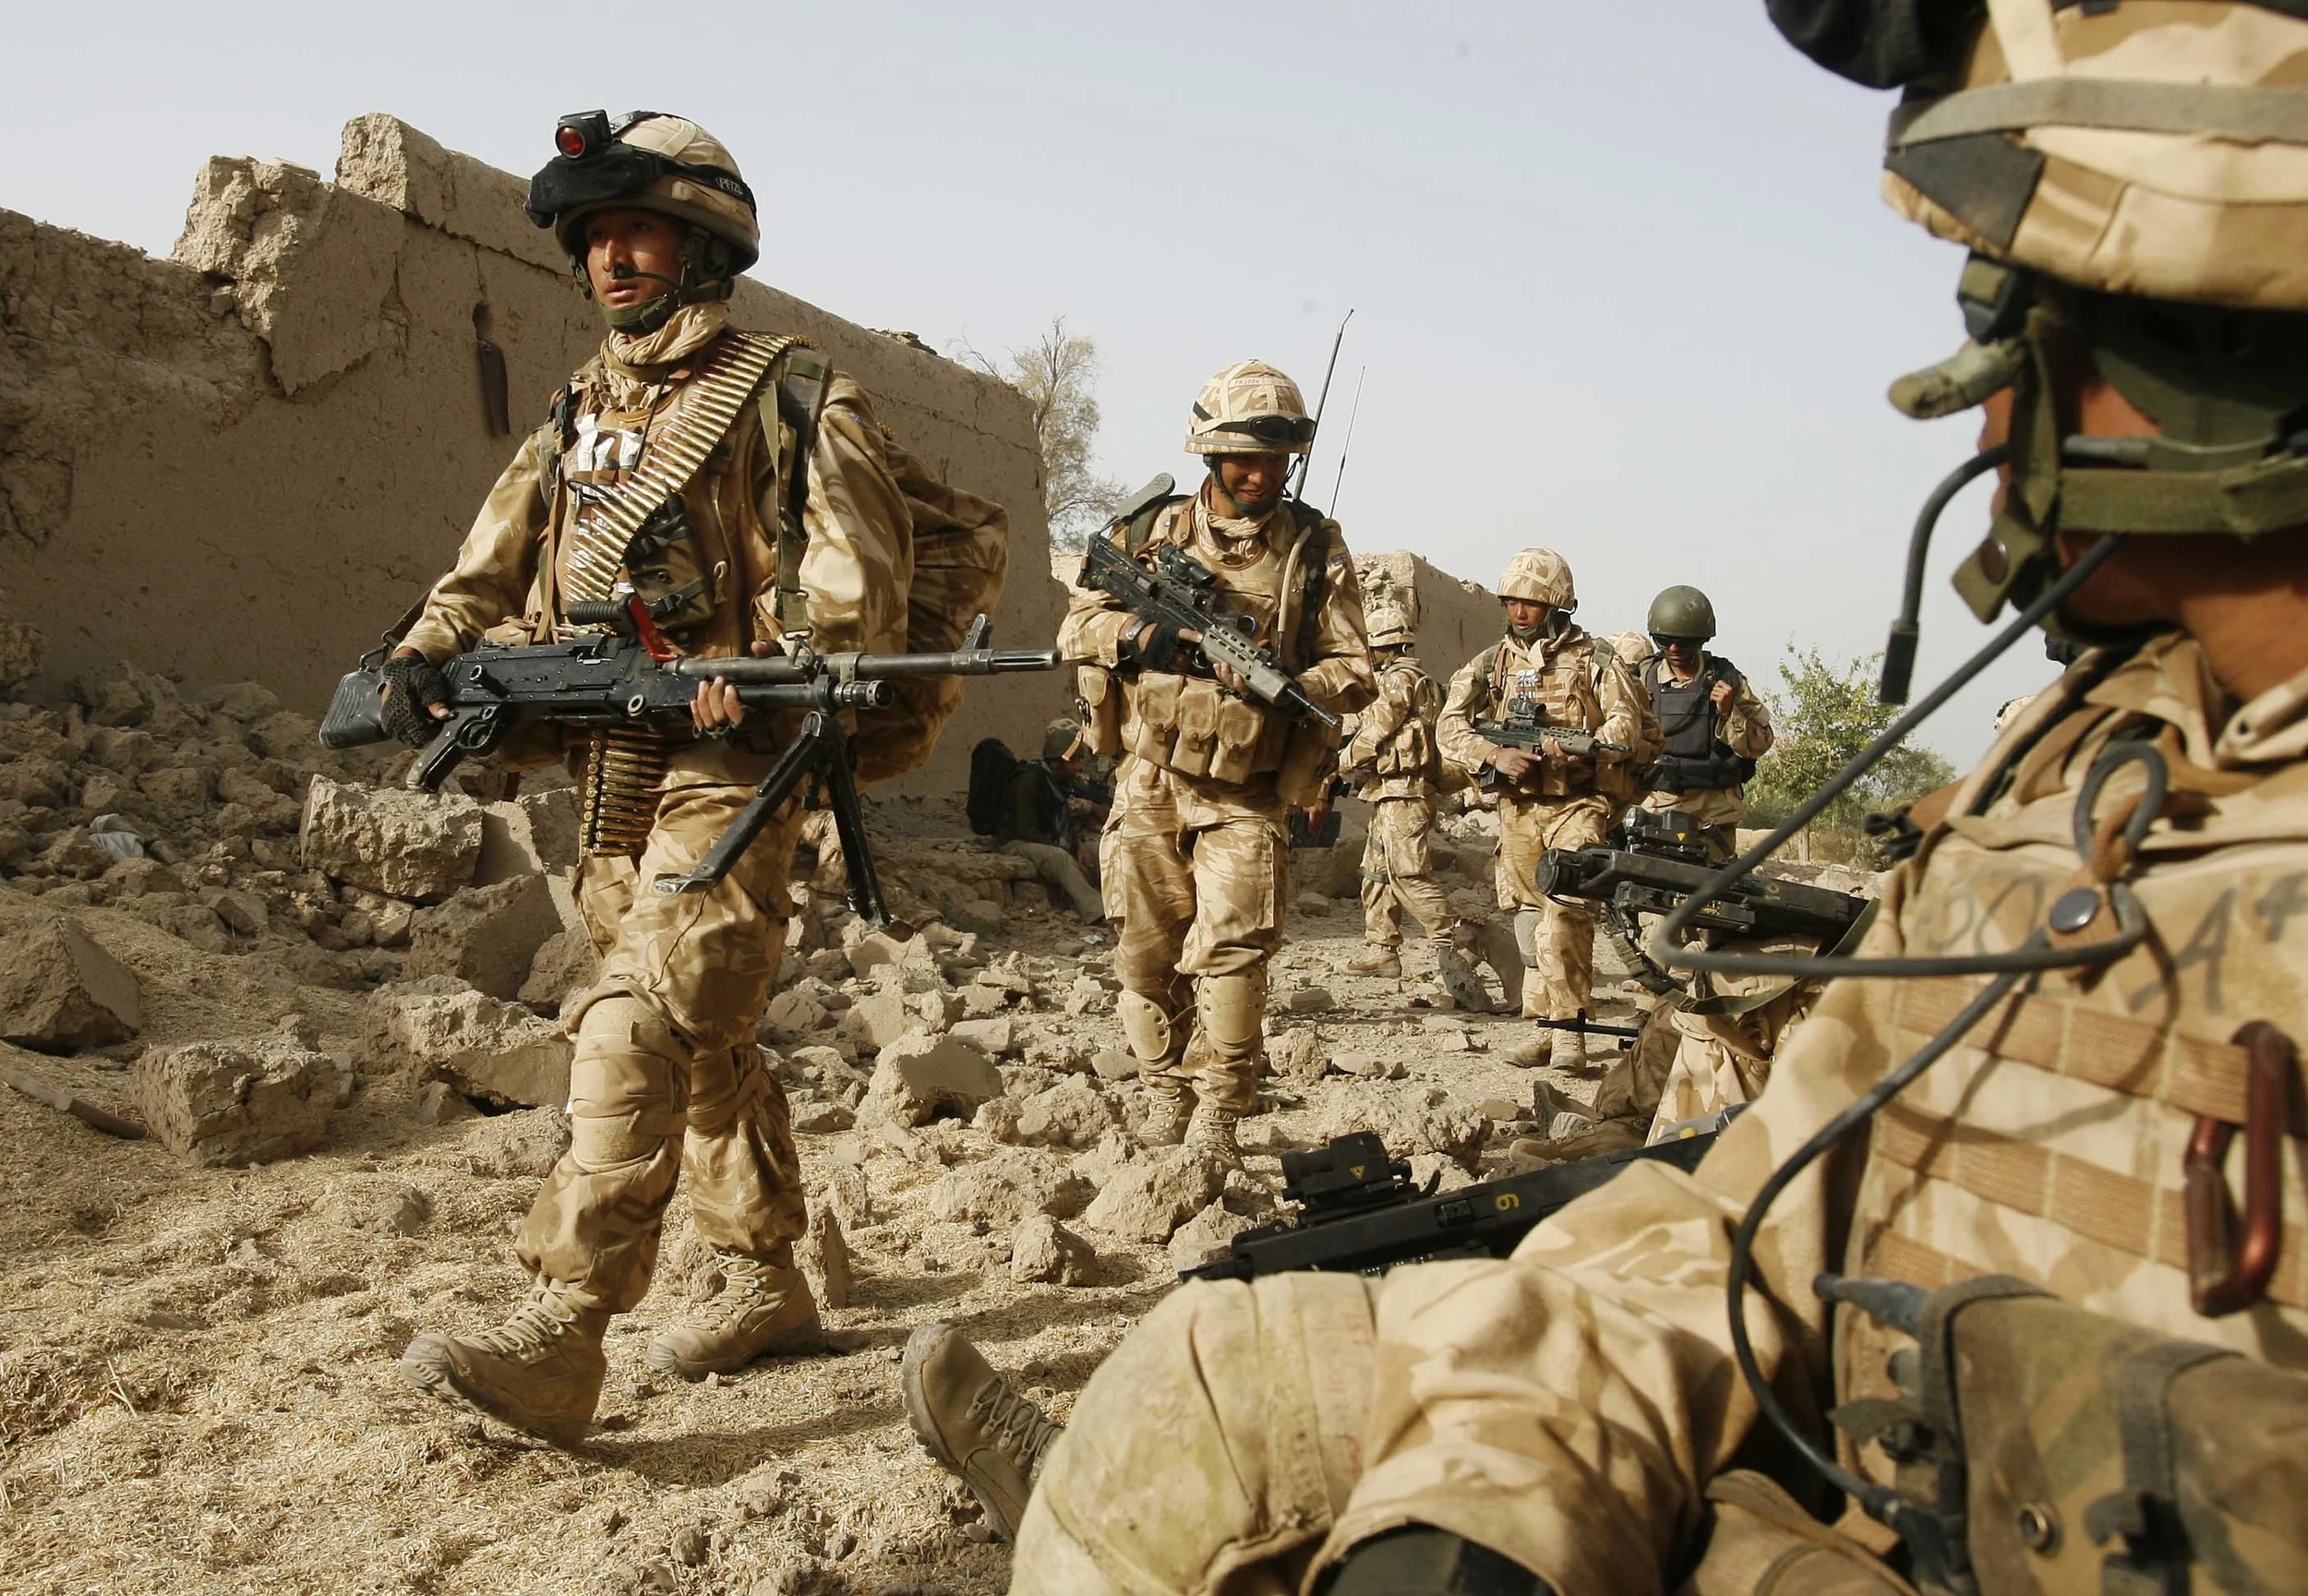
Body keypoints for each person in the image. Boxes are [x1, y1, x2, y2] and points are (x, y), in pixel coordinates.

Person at [904, 4, 2308, 1589]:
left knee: (1309, 952)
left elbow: (1500, 712)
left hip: (1974, 1484)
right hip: (1851, 1351)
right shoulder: (2077, 756)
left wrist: (1501, 752)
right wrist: (1519, 1454)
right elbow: (1777, 1190)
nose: (1989, 433)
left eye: (2030, 357)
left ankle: (1239, 1111)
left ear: (2222, 378)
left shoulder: (1376, 583)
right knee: (1217, 1332)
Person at [382, 111, 992, 1445]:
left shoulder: (791, 395)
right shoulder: (578, 412)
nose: (612, 258)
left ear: (705, 247)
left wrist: (759, 667)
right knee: (704, 1033)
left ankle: (563, 1330)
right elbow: (492, 562)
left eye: (639, 231)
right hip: (613, 759)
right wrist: (426, 651)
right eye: (596, 236)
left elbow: (854, 601)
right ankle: (770, 1275)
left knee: (640, 1011)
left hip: (738, 762)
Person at [1060, 360, 1374, 1161]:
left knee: (1233, 954)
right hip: (1150, 776)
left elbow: (1354, 668)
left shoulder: (1313, 548)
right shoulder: (1152, 531)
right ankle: (1164, 1090)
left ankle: (1217, 1117)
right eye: (1243, 458)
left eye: (1276, 459)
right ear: (1210, 453)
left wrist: (1290, 684)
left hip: (1246, 789)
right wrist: (1139, 635)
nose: (1261, 474)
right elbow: (1077, 625)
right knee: (1143, 951)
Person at [1435, 549, 1649, 1069]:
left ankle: (1571, 1029)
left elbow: (1626, 727)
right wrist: (1493, 755)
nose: (1519, 612)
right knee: (1530, 919)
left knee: (1568, 910)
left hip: (1578, 804)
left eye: (1530, 603)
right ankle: (1544, 1027)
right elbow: (1448, 725)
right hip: (1520, 808)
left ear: (1557, 605)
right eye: (1511, 602)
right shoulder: (1492, 663)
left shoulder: (1596, 660)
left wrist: (1582, 750)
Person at [1339, 598, 1488, 1010]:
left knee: (1407, 873)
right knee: (1376, 872)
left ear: (1383, 647)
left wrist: (1343, 760)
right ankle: (1382, 949)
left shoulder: (1400, 680)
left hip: (1406, 792)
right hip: (1388, 790)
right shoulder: (1415, 679)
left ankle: (1457, 939)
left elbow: (1377, 730)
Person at [1633, 584, 1775, 835]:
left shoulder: (1727, 680)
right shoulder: (1643, 679)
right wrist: (1636, 706)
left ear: (1700, 640)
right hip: (1659, 806)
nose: (1674, 649)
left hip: (1716, 811)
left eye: (1683, 642)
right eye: (1664, 641)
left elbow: (1761, 743)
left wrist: (1729, 713)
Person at [989, 717, 1107, 922]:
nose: (1079, 767)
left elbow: (1062, 821)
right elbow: (1027, 831)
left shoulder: (1057, 781)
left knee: (1100, 850)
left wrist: (1078, 846)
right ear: (1055, 762)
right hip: (1015, 842)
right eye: (1074, 761)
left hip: (1044, 839)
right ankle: (1096, 911)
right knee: (1059, 858)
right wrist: (1068, 850)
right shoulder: (1028, 781)